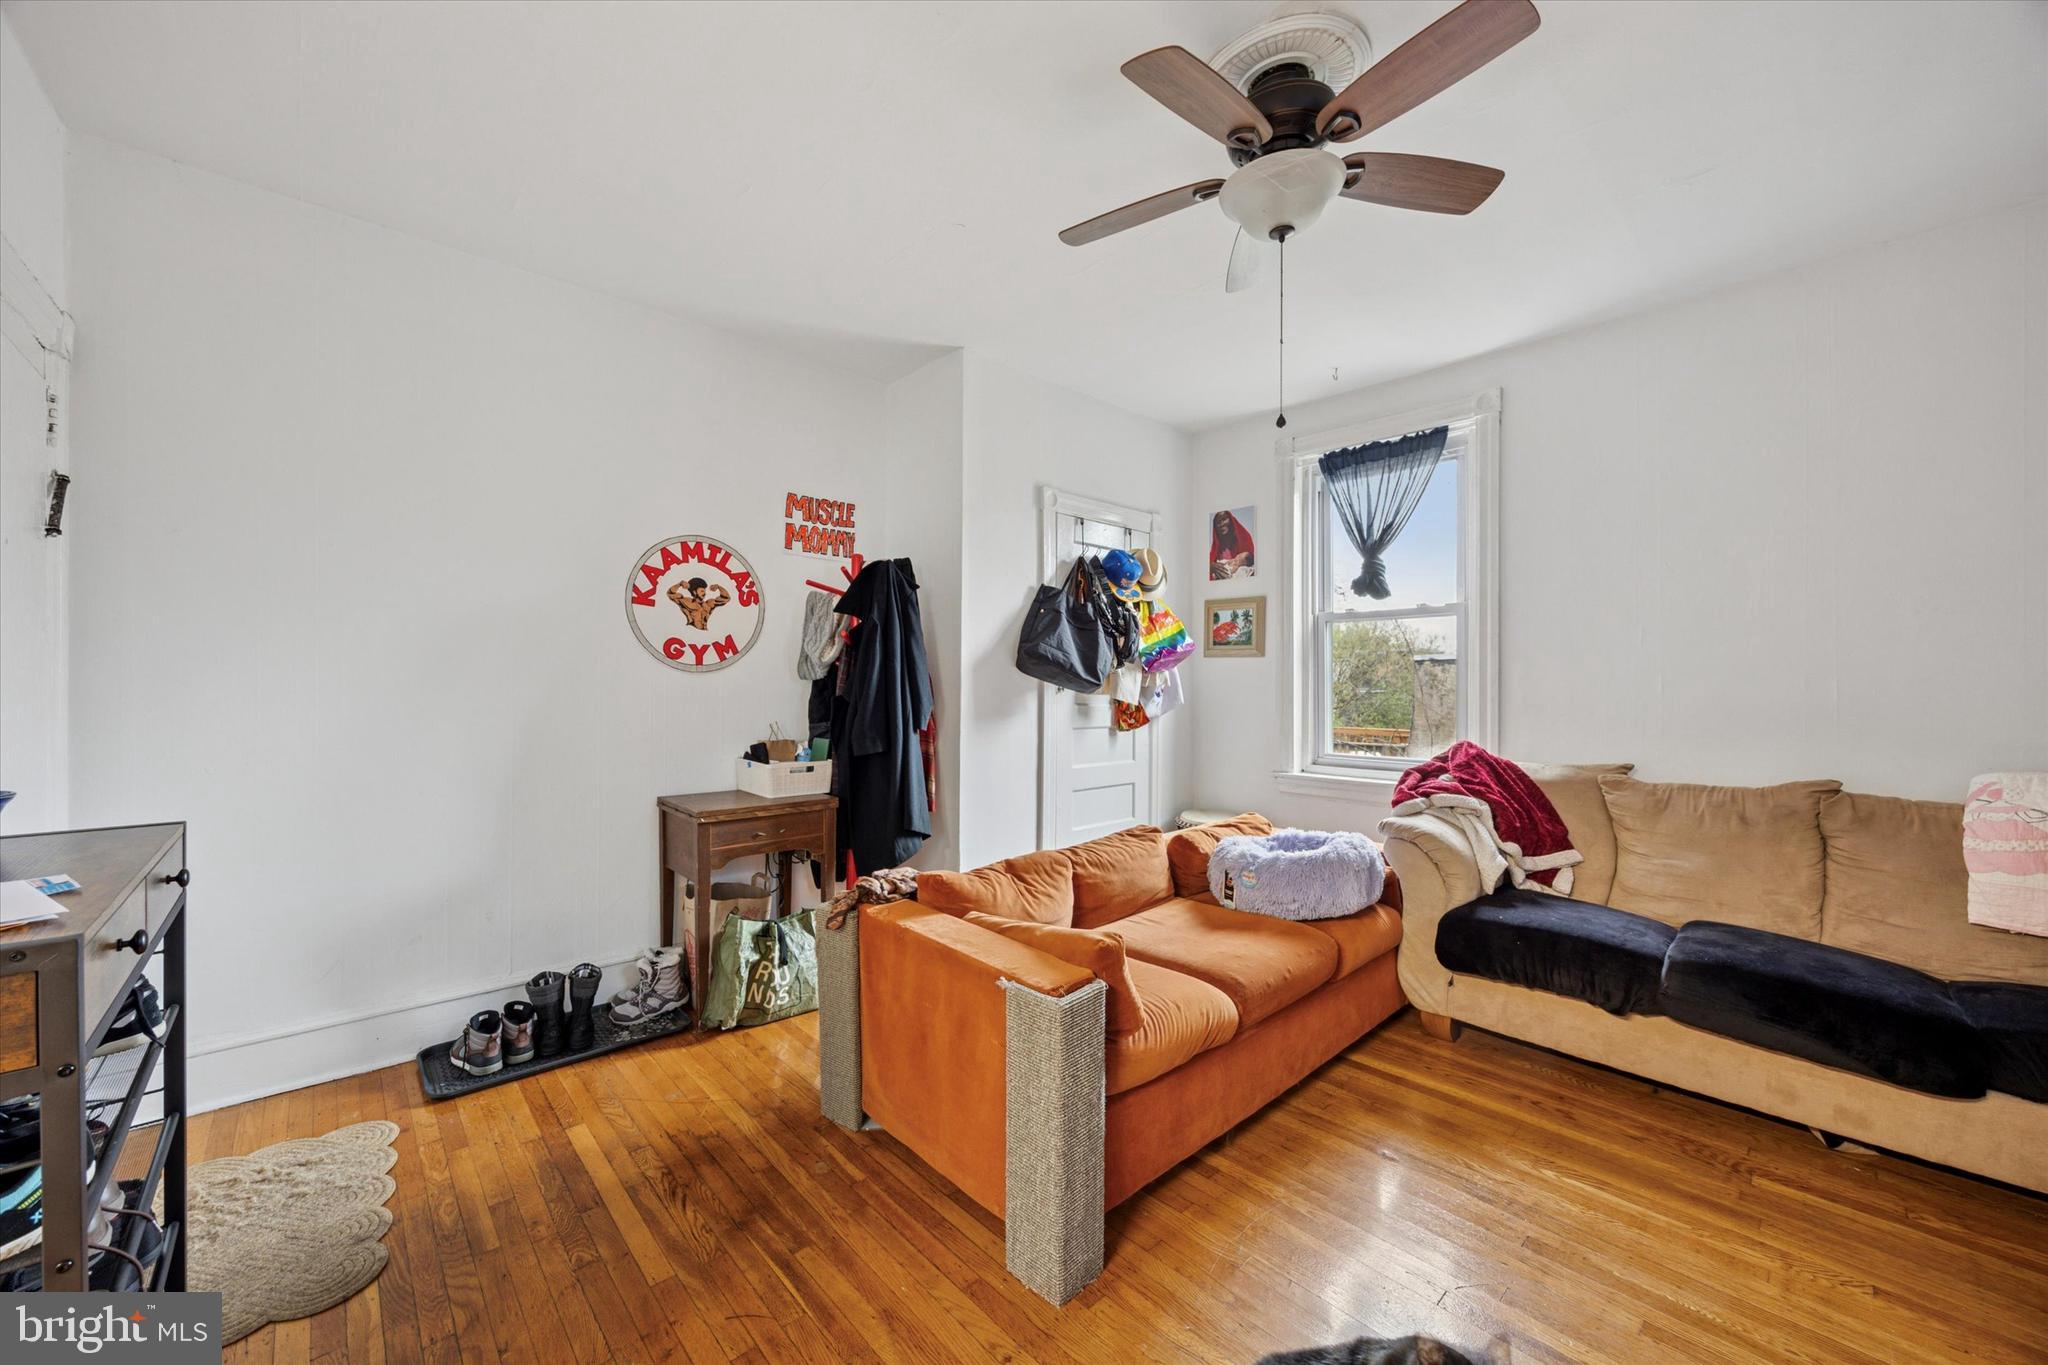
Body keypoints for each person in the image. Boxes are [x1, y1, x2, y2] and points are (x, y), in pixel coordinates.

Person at [1209, 509, 1255, 579]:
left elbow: (1251, 566)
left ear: (1231, 520)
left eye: (1224, 519)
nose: (1221, 524)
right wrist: (1210, 567)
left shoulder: (1244, 539)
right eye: (1218, 522)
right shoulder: (1216, 548)